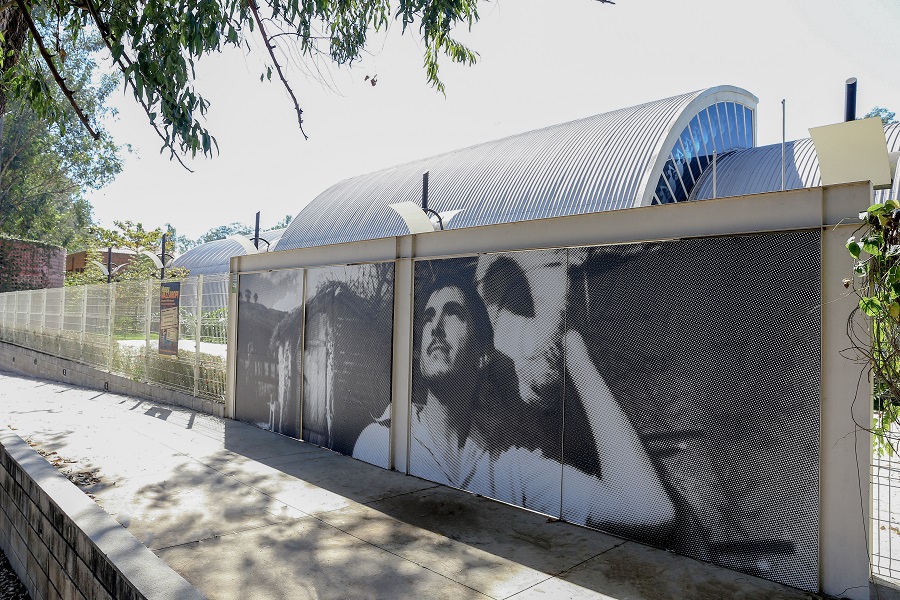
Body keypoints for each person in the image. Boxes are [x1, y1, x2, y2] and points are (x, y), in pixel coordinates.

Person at [355, 266, 676, 533]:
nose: (435, 327)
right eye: (427, 317)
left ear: (483, 355)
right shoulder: (382, 443)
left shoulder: (511, 469)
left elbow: (648, 510)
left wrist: (574, 352)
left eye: (453, 314)